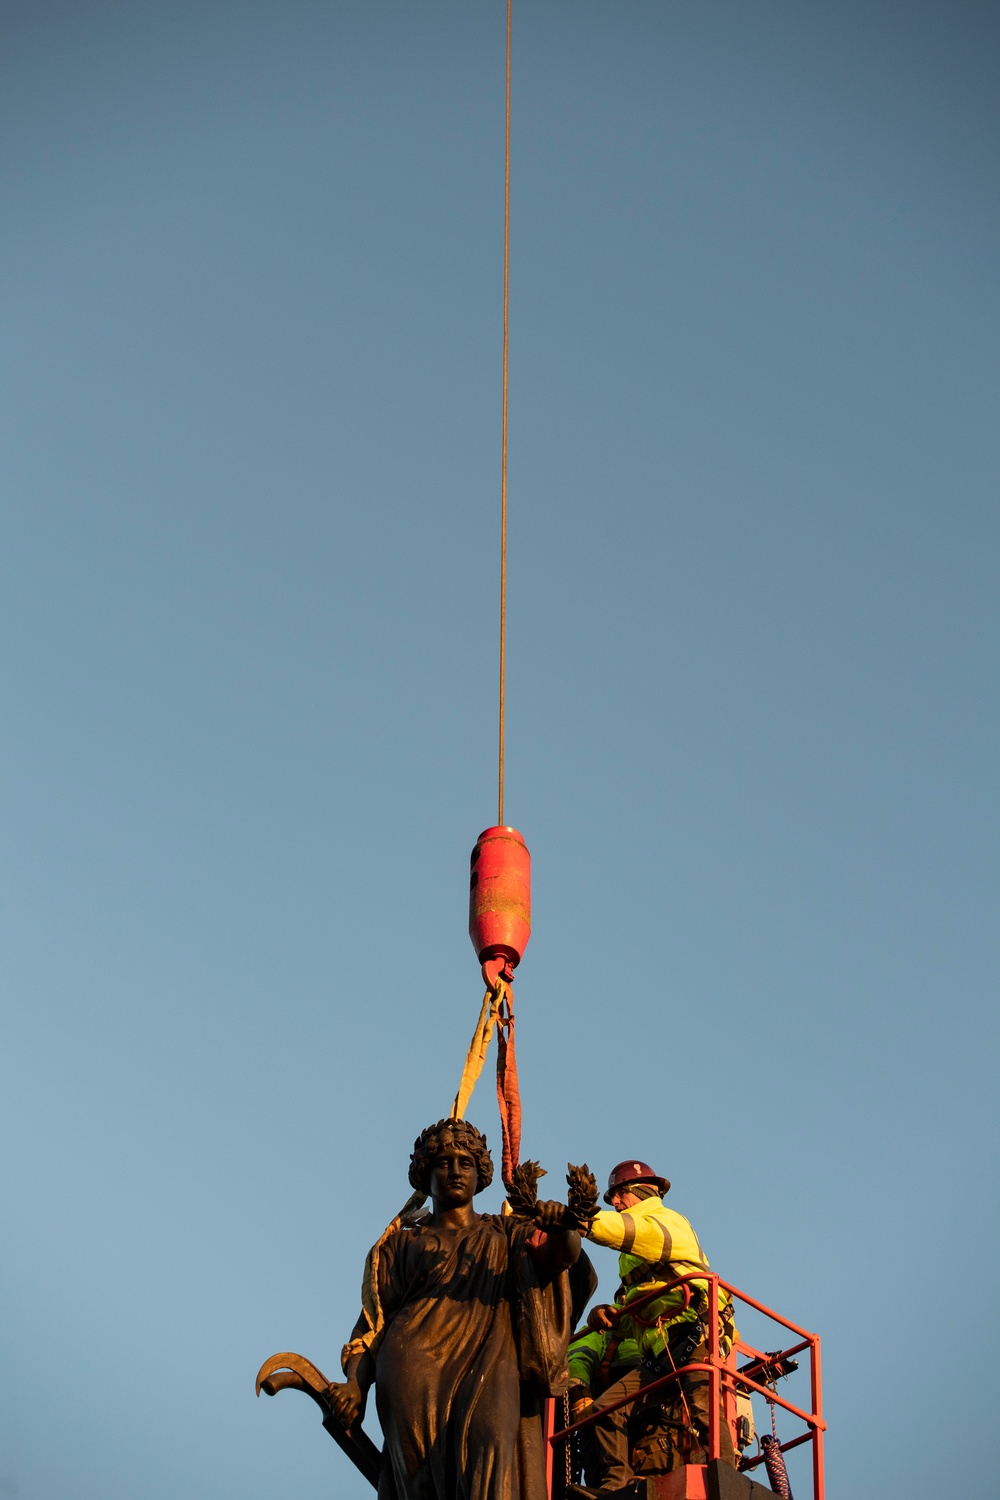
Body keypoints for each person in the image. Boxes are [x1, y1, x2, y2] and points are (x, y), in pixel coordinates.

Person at [327, 1117, 585, 1500]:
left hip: (491, 1359)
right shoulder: (399, 1246)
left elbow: (559, 1259)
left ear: (480, 1173)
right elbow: (372, 1324)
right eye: (443, 1162)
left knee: (493, 1440)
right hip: (412, 1369)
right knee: (419, 1483)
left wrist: (564, 1228)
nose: (454, 1171)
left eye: (465, 1162)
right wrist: (355, 1385)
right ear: (425, 1174)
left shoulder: (506, 1231)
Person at [575, 1159, 736, 1489]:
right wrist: (609, 1318)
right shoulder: (632, 1256)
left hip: (694, 1332)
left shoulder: (665, 1222)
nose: (616, 1204)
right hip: (661, 1350)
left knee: (702, 1410)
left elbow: (628, 1232)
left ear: (638, 1192)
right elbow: (642, 1310)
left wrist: (582, 1220)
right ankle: (615, 1486)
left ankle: (726, 1481)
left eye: (618, 1196)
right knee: (606, 1409)